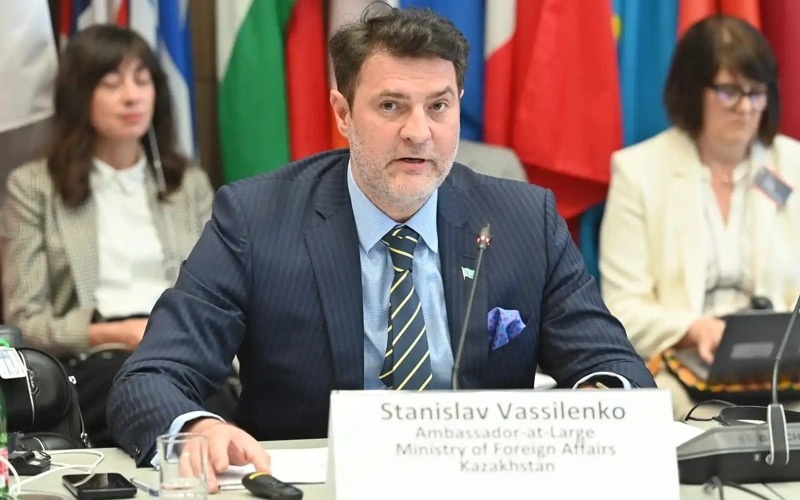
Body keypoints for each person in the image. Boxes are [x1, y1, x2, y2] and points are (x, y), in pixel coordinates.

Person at [108, 5, 655, 489]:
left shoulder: (524, 219)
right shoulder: (256, 218)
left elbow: (613, 364)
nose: (419, 132)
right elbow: (151, 378)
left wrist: (602, 405)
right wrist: (197, 430)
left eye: (438, 106)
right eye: (391, 106)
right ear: (343, 113)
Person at [0, 25, 216, 446]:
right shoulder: (35, 187)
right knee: (130, 383)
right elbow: (27, 320)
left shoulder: (187, 185)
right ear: (79, 95)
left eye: (142, 80)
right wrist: (115, 333)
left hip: (181, 350)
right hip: (94, 360)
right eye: (112, 83)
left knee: (212, 390)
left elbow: (216, 297)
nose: (132, 97)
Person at [600, 15, 800, 419]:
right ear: (692, 91)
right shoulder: (639, 172)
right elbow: (620, 309)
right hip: (682, 378)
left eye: (756, 92)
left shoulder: (793, 164)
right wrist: (692, 328)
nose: (746, 108)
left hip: (787, 376)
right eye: (729, 91)